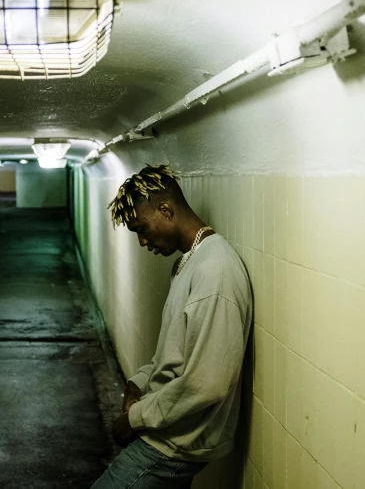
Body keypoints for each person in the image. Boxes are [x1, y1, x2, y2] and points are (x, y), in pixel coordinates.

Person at [91, 164, 253, 489]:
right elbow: (176, 352)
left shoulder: (215, 272)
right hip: (169, 426)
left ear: (166, 210)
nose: (141, 241)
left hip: (176, 441)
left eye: (141, 228)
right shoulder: (190, 263)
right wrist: (139, 382)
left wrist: (133, 420)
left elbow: (207, 383)